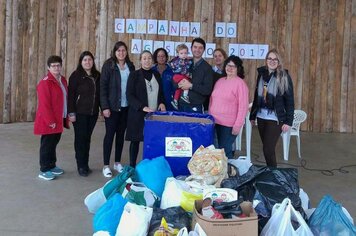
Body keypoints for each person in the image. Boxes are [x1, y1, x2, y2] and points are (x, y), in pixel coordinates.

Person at [249, 49, 295, 167]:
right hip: (261, 116)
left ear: (279, 61)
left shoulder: (284, 76)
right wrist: (252, 116)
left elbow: (290, 101)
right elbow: (256, 96)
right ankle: (271, 173)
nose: (272, 61)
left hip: (275, 118)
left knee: (268, 149)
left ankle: (273, 175)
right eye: (270, 58)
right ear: (266, 60)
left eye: (275, 59)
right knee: (267, 149)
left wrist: (288, 121)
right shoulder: (262, 74)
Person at [100, 41, 135, 177]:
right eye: (118, 50)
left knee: (121, 136)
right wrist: (105, 107)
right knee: (109, 135)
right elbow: (103, 88)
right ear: (114, 52)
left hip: (126, 107)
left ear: (126, 52)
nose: (121, 53)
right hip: (112, 107)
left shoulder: (130, 66)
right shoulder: (109, 66)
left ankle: (117, 162)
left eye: (123, 50)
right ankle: (106, 165)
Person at [126, 50, 166, 167]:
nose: (147, 60)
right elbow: (129, 95)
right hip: (138, 113)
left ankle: (148, 166)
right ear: (140, 61)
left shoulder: (157, 75)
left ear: (152, 60)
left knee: (152, 141)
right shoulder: (134, 75)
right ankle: (132, 166)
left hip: (153, 115)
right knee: (136, 140)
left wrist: (162, 102)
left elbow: (161, 93)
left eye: (149, 58)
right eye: (144, 58)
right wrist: (142, 107)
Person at [34, 55, 69, 180]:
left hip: (59, 119)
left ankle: (52, 165)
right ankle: (44, 169)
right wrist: (50, 121)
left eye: (58, 65)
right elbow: (44, 105)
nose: (56, 67)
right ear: (48, 67)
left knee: (54, 143)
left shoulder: (62, 80)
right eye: (53, 66)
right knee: (47, 144)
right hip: (49, 121)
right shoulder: (45, 83)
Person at [209, 55, 249, 159]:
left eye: (233, 66)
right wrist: (209, 117)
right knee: (215, 151)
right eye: (228, 65)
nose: (230, 68)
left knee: (225, 151)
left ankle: (229, 173)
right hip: (214, 121)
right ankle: (219, 174)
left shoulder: (240, 84)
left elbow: (243, 107)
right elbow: (212, 100)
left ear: (238, 69)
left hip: (228, 125)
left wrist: (238, 125)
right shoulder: (220, 81)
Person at [68, 51, 100, 177]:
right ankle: (81, 166)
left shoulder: (97, 75)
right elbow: (70, 96)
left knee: (87, 139)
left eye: (90, 59)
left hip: (92, 113)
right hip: (79, 113)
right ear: (81, 62)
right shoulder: (76, 76)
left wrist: (103, 108)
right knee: (80, 140)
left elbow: (100, 94)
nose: (88, 62)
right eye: (85, 60)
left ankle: (85, 164)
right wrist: (71, 112)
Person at [177, 38, 213, 113]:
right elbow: (175, 80)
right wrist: (178, 84)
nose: (197, 50)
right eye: (195, 47)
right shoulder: (184, 63)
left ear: (204, 50)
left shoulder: (208, 68)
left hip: (196, 106)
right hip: (180, 104)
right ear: (191, 48)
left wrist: (191, 86)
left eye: (200, 48)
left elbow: (207, 90)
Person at [170, 44, 193, 110]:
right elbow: (183, 71)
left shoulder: (185, 60)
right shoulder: (178, 61)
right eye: (181, 53)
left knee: (179, 89)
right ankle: (185, 95)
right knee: (187, 81)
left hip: (179, 76)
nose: (184, 55)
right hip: (177, 76)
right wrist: (189, 75)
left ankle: (175, 100)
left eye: (185, 53)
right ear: (178, 54)